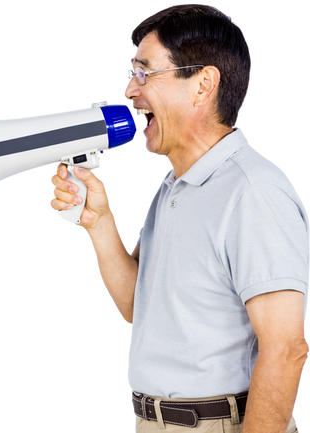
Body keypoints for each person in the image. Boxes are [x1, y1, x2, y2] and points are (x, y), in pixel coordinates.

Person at [48, 3, 309, 433]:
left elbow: (286, 348)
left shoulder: (253, 191)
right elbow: (137, 307)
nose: (128, 92)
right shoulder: (173, 185)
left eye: (143, 73)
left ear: (202, 83)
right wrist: (99, 223)